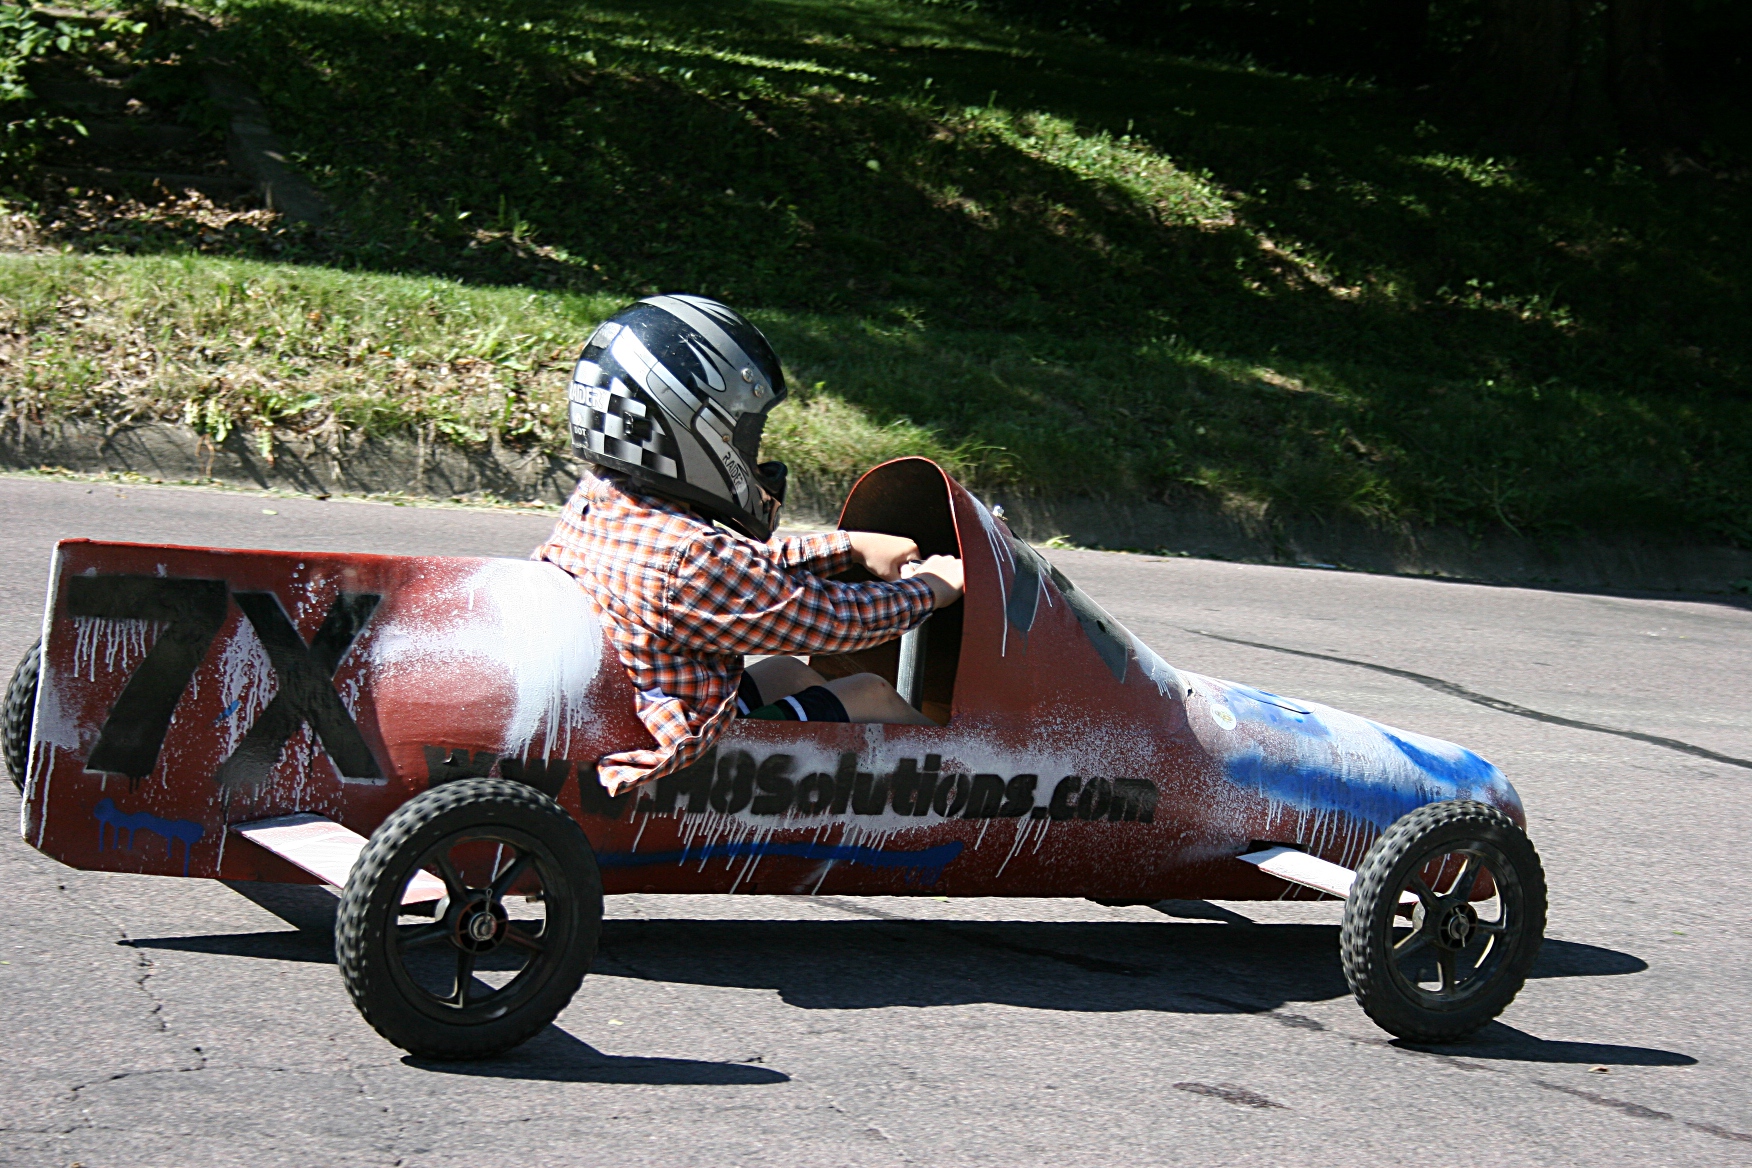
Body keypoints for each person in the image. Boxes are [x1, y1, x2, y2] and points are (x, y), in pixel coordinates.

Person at [534, 294, 965, 797]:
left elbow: (742, 573)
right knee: (870, 694)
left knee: (786, 674)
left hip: (642, 706)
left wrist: (848, 545)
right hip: (674, 756)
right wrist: (930, 589)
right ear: (693, 429)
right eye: (746, 438)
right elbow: (829, 621)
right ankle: (982, 810)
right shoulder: (686, 560)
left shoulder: (609, 503)